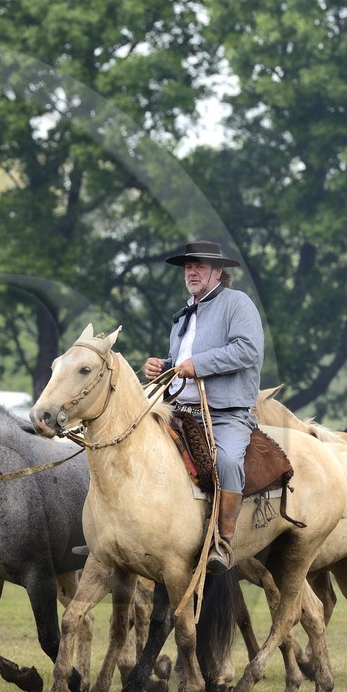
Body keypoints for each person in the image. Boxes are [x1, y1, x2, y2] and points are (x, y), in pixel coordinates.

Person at [143, 239, 264, 572]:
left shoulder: (237, 304)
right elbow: (183, 363)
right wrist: (163, 366)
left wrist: (199, 363)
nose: (192, 272)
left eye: (199, 266)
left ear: (217, 272)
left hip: (226, 415)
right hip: (178, 411)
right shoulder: (182, 314)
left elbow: (248, 351)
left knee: (226, 461)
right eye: (188, 267)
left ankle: (222, 544)